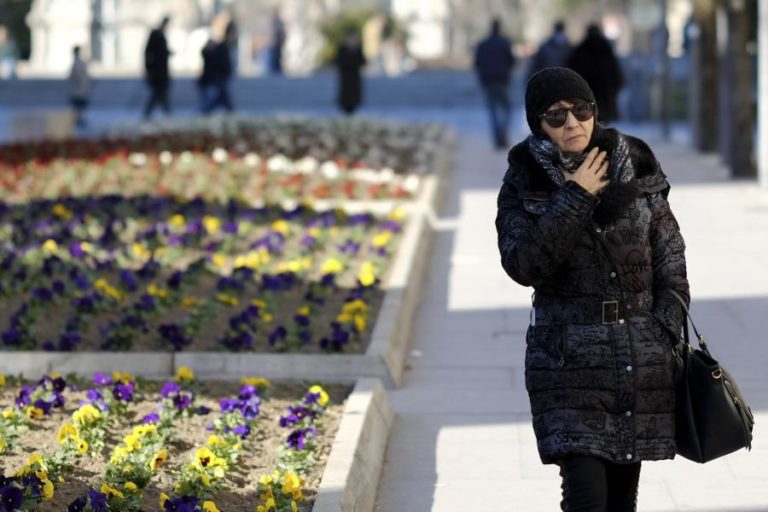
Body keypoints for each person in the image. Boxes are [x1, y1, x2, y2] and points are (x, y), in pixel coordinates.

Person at [495, 67, 689, 512]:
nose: (573, 124)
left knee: (622, 499)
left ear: (594, 111)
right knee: (586, 496)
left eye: (581, 111)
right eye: (556, 116)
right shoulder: (525, 178)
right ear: (537, 125)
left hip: (635, 358)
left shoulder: (635, 162)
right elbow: (524, 264)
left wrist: (663, 328)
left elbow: (671, 257)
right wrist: (576, 196)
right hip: (567, 362)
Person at [567, 24, 624, 123]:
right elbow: (614, 69)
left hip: (587, 88)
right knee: (603, 116)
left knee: (588, 115)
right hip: (603, 89)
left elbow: (572, 68)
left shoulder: (582, 48)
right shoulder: (605, 48)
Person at [474, 18, 516, 150]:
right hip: (502, 80)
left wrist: (482, 77)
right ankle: (502, 132)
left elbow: (477, 63)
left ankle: (498, 136)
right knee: (507, 109)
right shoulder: (505, 43)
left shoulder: (483, 44)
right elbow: (511, 61)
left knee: (493, 111)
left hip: (488, 81)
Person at [198, 21, 236, 114]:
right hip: (217, 80)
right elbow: (212, 61)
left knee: (217, 103)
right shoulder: (222, 47)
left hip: (219, 79)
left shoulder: (224, 46)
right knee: (214, 103)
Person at [143, 16, 172, 119]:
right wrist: (148, 68)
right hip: (157, 72)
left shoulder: (161, 35)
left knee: (161, 94)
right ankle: (151, 114)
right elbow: (148, 52)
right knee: (158, 94)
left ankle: (167, 113)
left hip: (162, 71)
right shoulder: (156, 34)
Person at [334, 28, 366, 115]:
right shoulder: (342, 49)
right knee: (346, 98)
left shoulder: (358, 49)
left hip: (355, 79)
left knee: (354, 98)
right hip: (346, 79)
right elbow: (338, 61)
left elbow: (362, 61)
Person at [69, 46, 90, 128]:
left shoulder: (79, 63)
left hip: (79, 88)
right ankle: (79, 119)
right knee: (78, 106)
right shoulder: (78, 63)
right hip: (78, 89)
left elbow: (81, 76)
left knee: (79, 106)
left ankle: (80, 119)